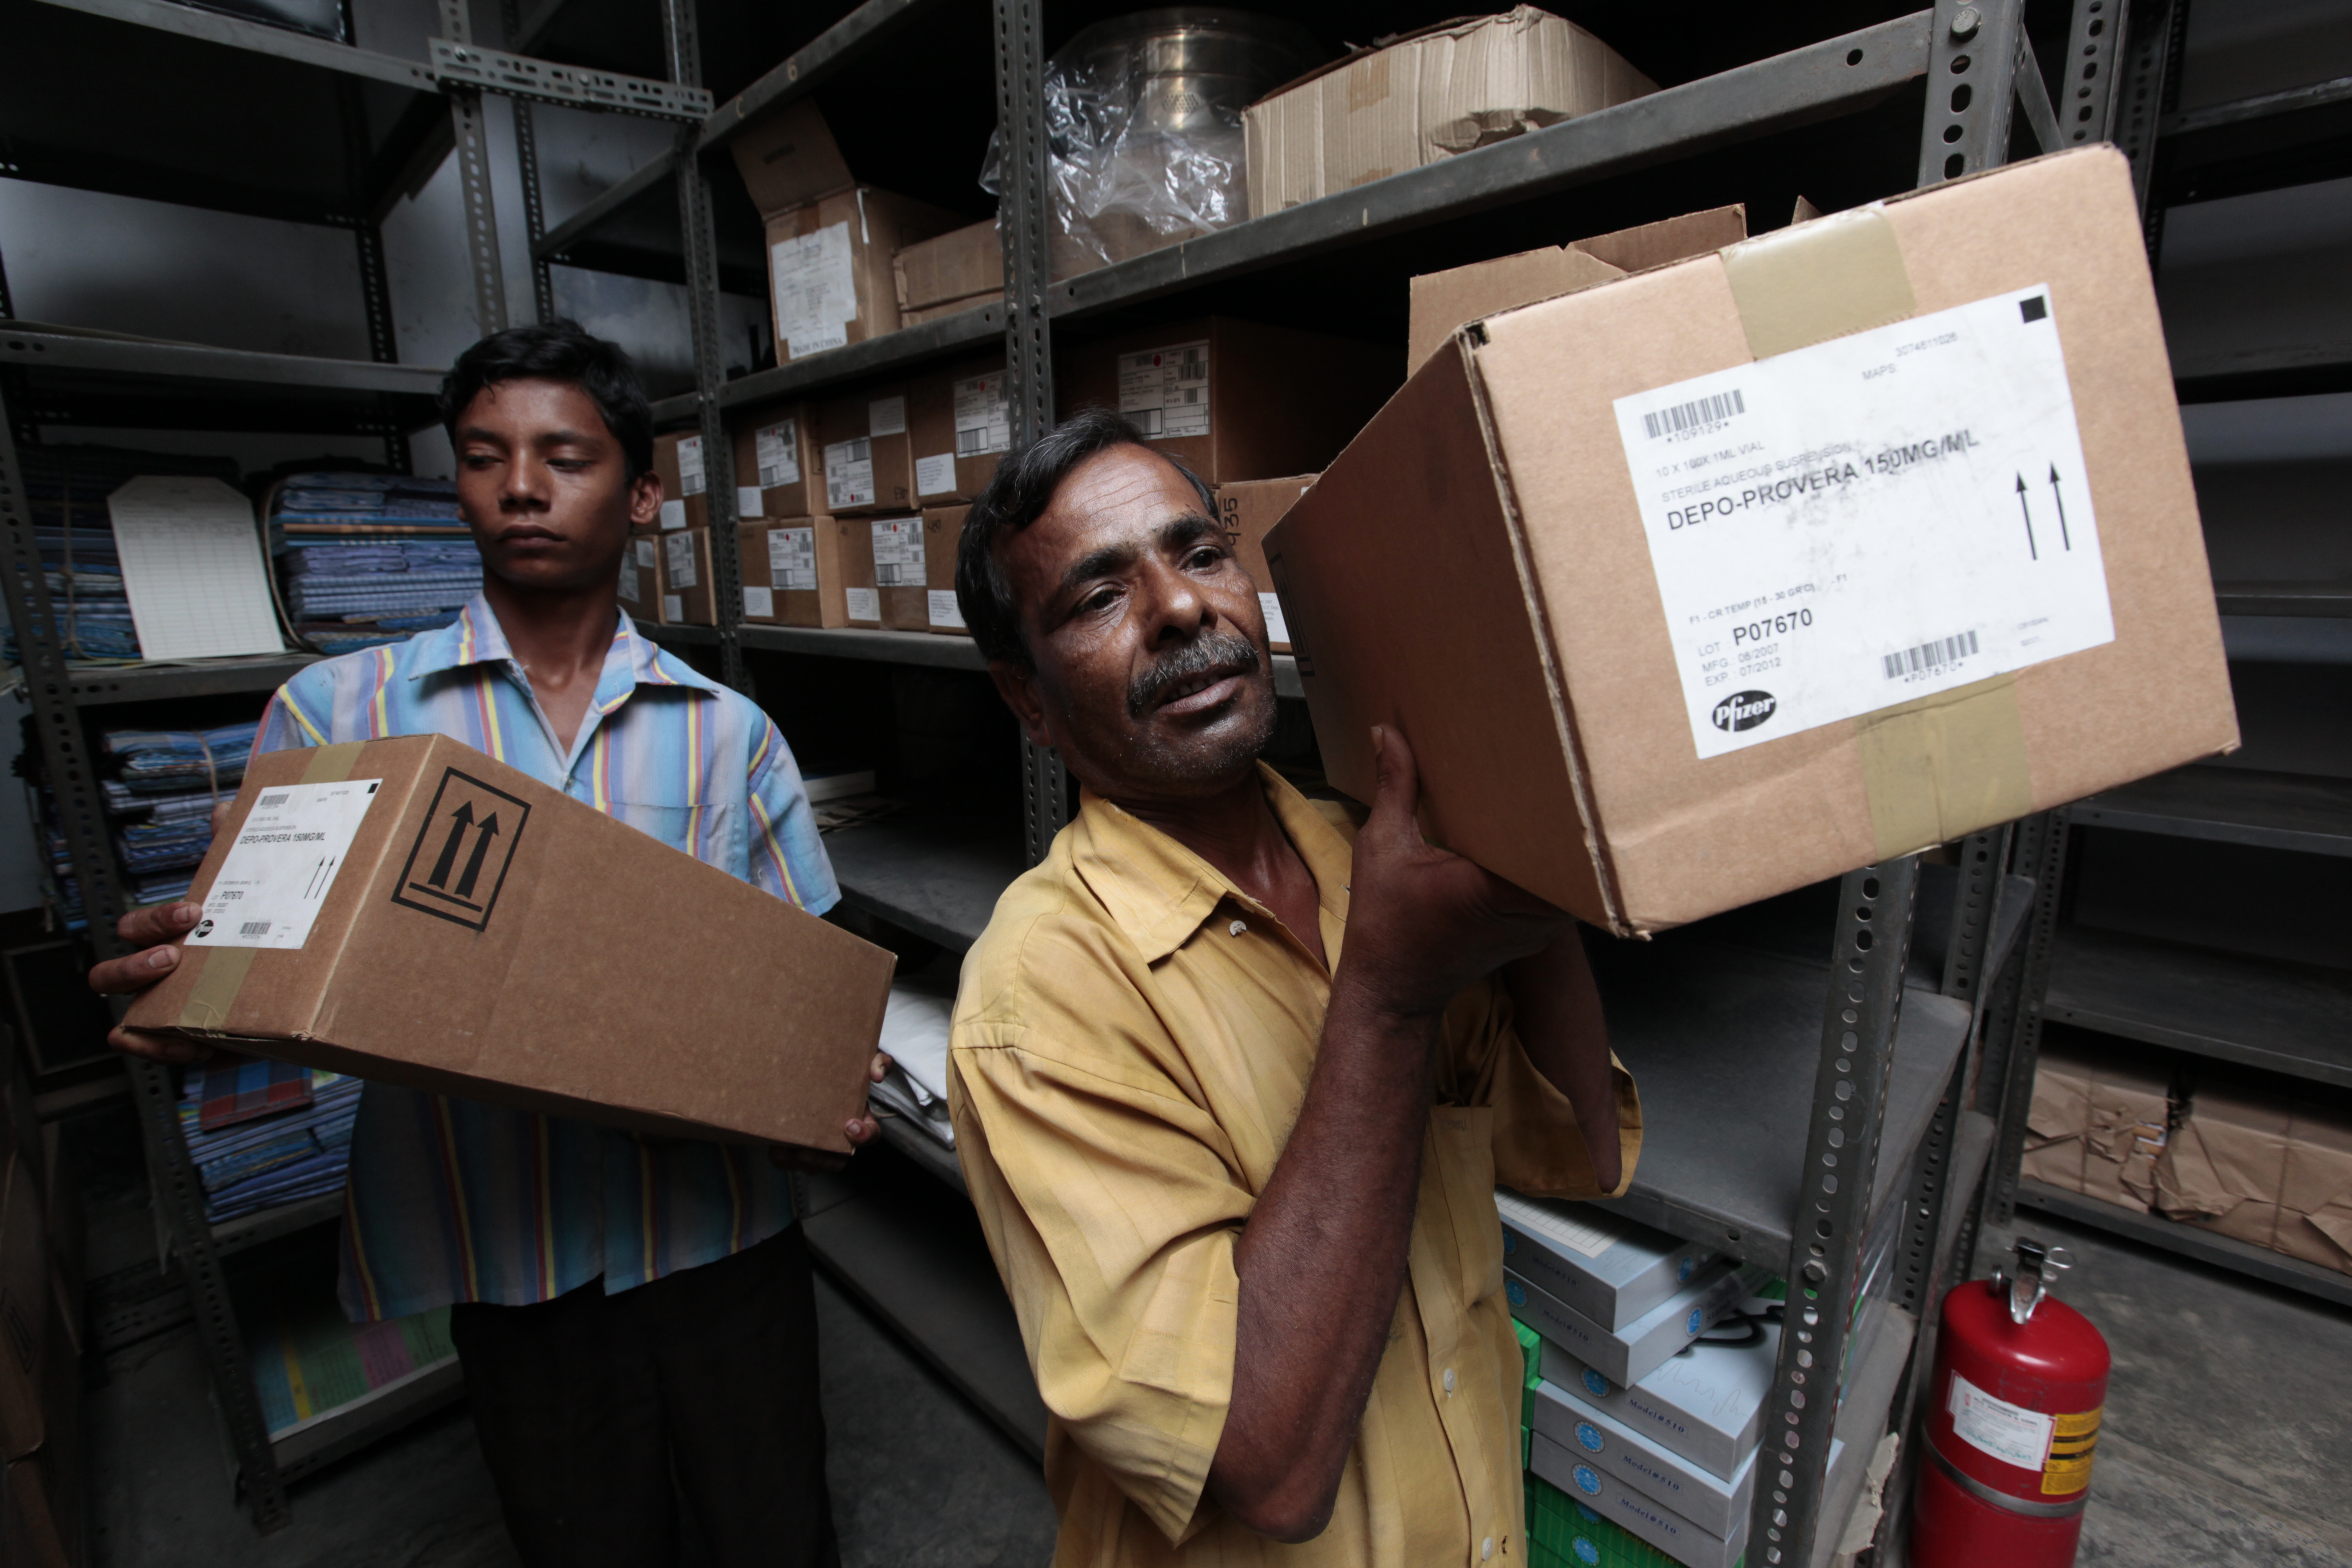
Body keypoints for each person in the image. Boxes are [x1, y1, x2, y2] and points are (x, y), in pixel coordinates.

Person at [90, 322, 878, 1568]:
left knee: (775, 1532)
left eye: (565, 456)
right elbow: (248, 964)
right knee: (583, 1542)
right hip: (506, 1257)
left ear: (646, 493)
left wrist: (830, 1090)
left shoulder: (730, 735)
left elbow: (809, 1013)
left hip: (721, 1244)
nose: (520, 486)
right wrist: (187, 988)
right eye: (483, 456)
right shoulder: (340, 717)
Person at [945, 408, 1643, 1567]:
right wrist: (1387, 998)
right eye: (1098, 599)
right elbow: (1266, 1465)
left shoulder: (1357, 851)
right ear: (1027, 699)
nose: (1181, 609)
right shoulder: (1038, 1005)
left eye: (1202, 554)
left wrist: (1523, 828)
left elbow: (1582, 1143)